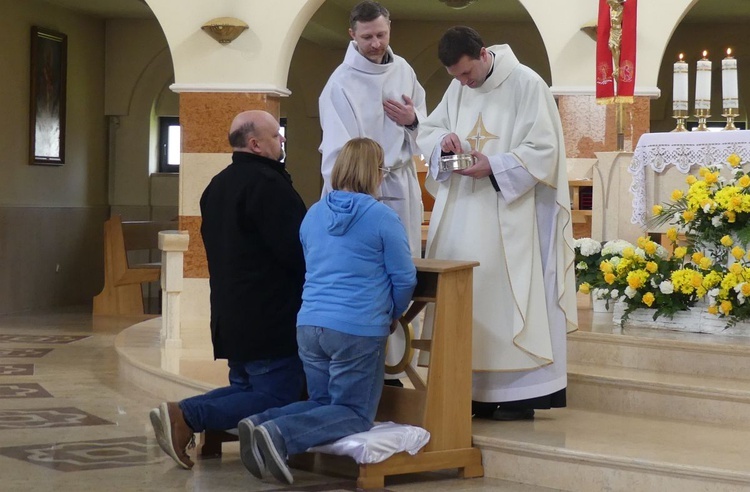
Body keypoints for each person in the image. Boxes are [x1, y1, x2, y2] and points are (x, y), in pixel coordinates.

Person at [416, 27, 578, 421]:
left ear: (484, 54)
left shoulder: (527, 84)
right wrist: (445, 142)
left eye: (467, 74)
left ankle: (517, 395)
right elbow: (431, 129)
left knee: (504, 296)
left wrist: (496, 165)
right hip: (462, 214)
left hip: (508, 213)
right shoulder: (458, 89)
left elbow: (544, 150)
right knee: (464, 294)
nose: (463, 83)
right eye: (456, 77)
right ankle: (464, 388)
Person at [237, 138, 417, 485]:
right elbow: (405, 277)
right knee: (354, 413)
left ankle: (260, 422)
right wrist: (392, 312)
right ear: (373, 173)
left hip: (310, 323)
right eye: (381, 170)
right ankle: (279, 435)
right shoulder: (382, 217)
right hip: (356, 327)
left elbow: (312, 264)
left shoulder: (313, 214)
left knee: (321, 402)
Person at [149, 110, 307, 469]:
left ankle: (185, 415)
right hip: (271, 316)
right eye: (275, 136)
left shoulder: (217, 185)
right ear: (255, 144)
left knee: (247, 389)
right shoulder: (268, 186)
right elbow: (296, 252)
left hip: (231, 313)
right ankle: (187, 415)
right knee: (276, 396)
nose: (281, 140)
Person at [318, 0, 427, 386]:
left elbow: (424, 133)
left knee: (403, 270)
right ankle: (367, 365)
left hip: (399, 183)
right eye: (367, 37)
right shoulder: (340, 83)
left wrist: (413, 121)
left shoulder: (405, 71)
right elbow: (337, 153)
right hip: (360, 192)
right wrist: (355, 193)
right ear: (352, 35)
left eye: (381, 34)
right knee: (368, 275)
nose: (376, 43)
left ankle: (399, 363)